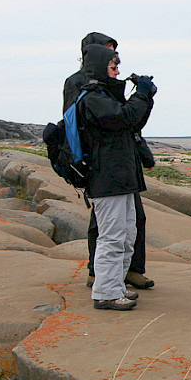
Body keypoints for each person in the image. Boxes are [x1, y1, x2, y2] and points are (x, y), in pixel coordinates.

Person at [63, 32, 155, 291]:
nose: (116, 67)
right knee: (108, 231)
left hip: (120, 170)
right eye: (110, 58)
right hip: (106, 171)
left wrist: (145, 97)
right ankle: (103, 283)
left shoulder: (105, 89)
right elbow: (119, 120)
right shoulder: (87, 90)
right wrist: (142, 96)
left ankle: (125, 275)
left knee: (131, 225)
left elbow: (130, 123)